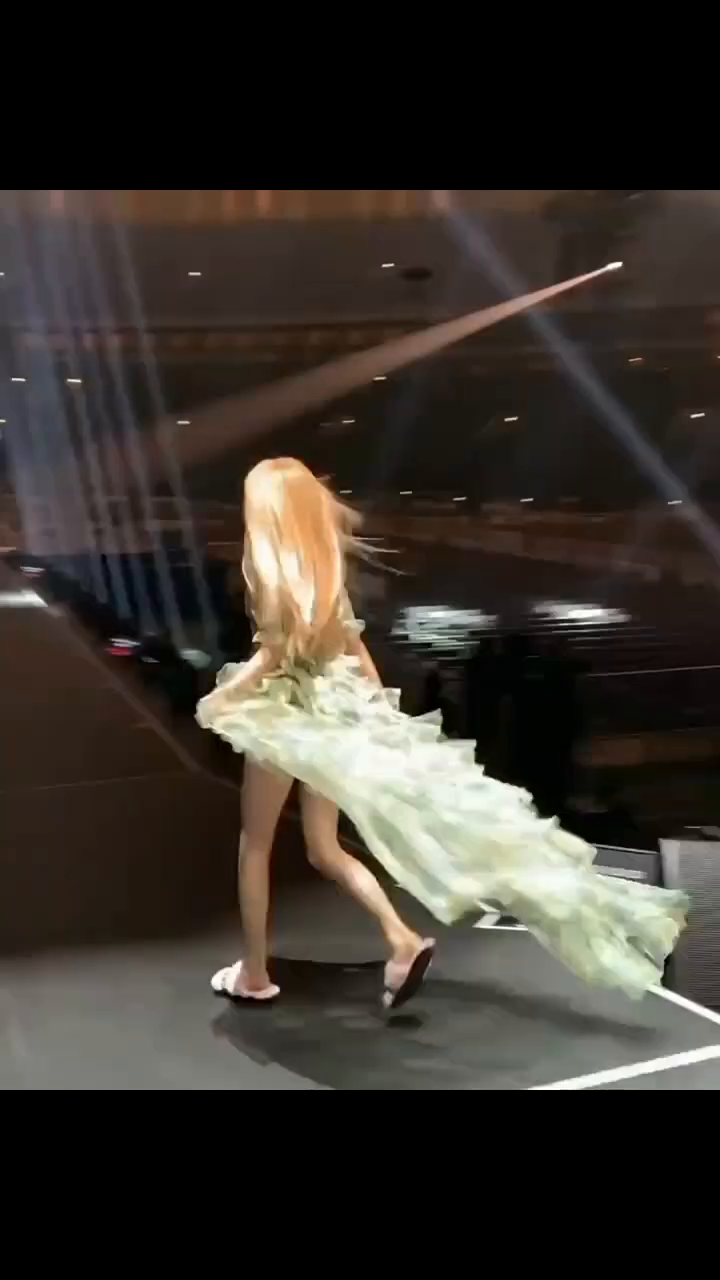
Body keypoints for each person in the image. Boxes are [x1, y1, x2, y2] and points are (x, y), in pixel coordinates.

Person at [197, 459, 687, 1009]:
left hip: (286, 719)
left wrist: (226, 694)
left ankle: (254, 974)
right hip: (332, 717)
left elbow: (274, 654)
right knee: (324, 848)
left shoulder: (272, 573)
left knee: (256, 845)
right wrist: (379, 707)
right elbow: (352, 644)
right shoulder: (324, 571)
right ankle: (401, 940)